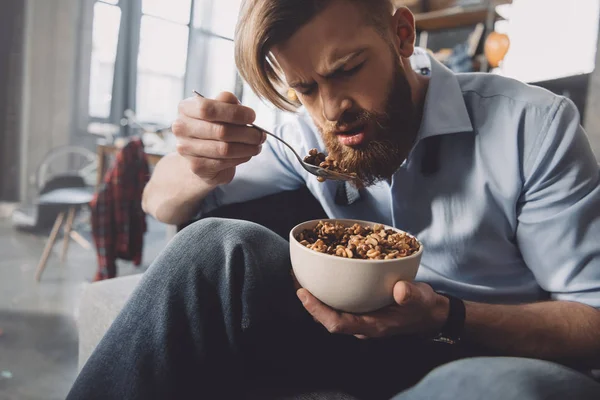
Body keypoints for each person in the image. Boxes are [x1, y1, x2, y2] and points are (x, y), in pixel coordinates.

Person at [68, 1, 600, 399]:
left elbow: (593, 323)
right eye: (304, 87)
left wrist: (445, 316)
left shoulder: (533, 126)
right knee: (216, 246)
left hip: (495, 350)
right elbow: (159, 203)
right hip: (358, 344)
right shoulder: (305, 133)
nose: (331, 110)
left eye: (346, 69)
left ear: (401, 34)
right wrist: (202, 160)